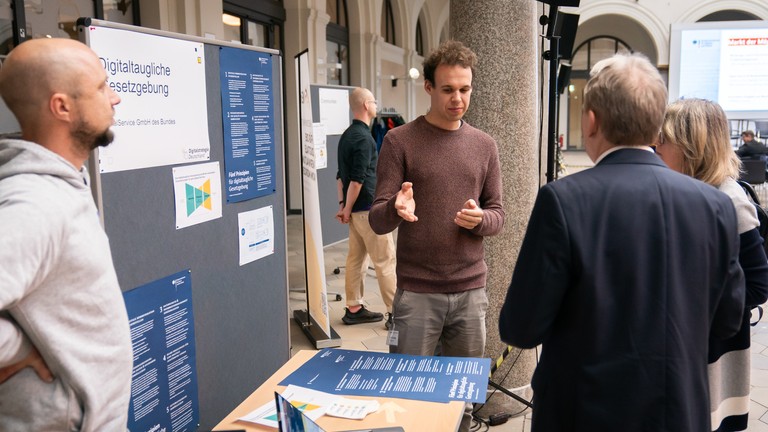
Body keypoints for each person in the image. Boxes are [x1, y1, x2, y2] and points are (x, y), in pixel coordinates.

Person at [499, 53, 745, 432]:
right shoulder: (714, 205)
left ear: (592, 120)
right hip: (678, 411)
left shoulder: (563, 201)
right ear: (655, 126)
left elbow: (521, 327)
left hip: (583, 413)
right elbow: (728, 319)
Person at [369, 40, 504, 432]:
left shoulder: (485, 146)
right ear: (428, 87)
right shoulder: (399, 141)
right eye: (447, 89)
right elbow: (377, 220)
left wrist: (480, 220)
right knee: (407, 396)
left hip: (470, 292)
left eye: (464, 89)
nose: (458, 98)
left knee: (462, 402)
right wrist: (395, 207)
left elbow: (498, 216)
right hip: (416, 294)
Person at [0, 38, 132, 431]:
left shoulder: (64, 184)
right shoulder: (37, 205)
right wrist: (20, 350)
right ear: (62, 106)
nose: (115, 97)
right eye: (101, 87)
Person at [656, 98, 768, 432]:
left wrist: (694, 307)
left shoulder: (730, 199)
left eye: (664, 139)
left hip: (714, 348)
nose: (656, 145)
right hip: (683, 342)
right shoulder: (685, 190)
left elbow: (759, 284)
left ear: (692, 146)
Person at [336, 87, 397, 328]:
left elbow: (341, 176)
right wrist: (348, 208)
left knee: (356, 259)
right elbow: (357, 179)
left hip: (356, 212)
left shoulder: (347, 135)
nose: (376, 104)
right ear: (365, 105)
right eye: (374, 101)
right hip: (369, 211)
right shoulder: (364, 138)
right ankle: (395, 314)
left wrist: (343, 206)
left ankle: (354, 308)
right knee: (385, 261)